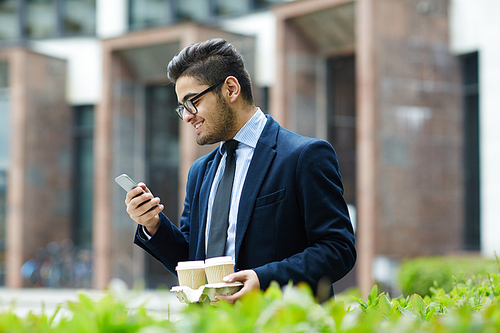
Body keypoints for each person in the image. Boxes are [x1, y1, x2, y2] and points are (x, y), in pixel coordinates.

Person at [125, 38, 356, 302]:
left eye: (192, 102)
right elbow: (193, 260)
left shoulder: (304, 156)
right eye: (182, 108)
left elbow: (338, 250)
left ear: (231, 89)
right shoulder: (200, 172)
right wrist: (152, 223)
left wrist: (263, 279)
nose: (187, 116)